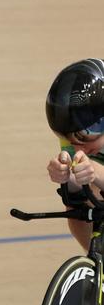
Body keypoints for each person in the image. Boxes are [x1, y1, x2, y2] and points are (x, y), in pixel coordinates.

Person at [46, 58, 104, 251]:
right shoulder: (74, 135)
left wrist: (94, 171)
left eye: (86, 136)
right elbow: (77, 209)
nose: (80, 149)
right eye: (70, 140)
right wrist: (69, 180)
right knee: (80, 198)